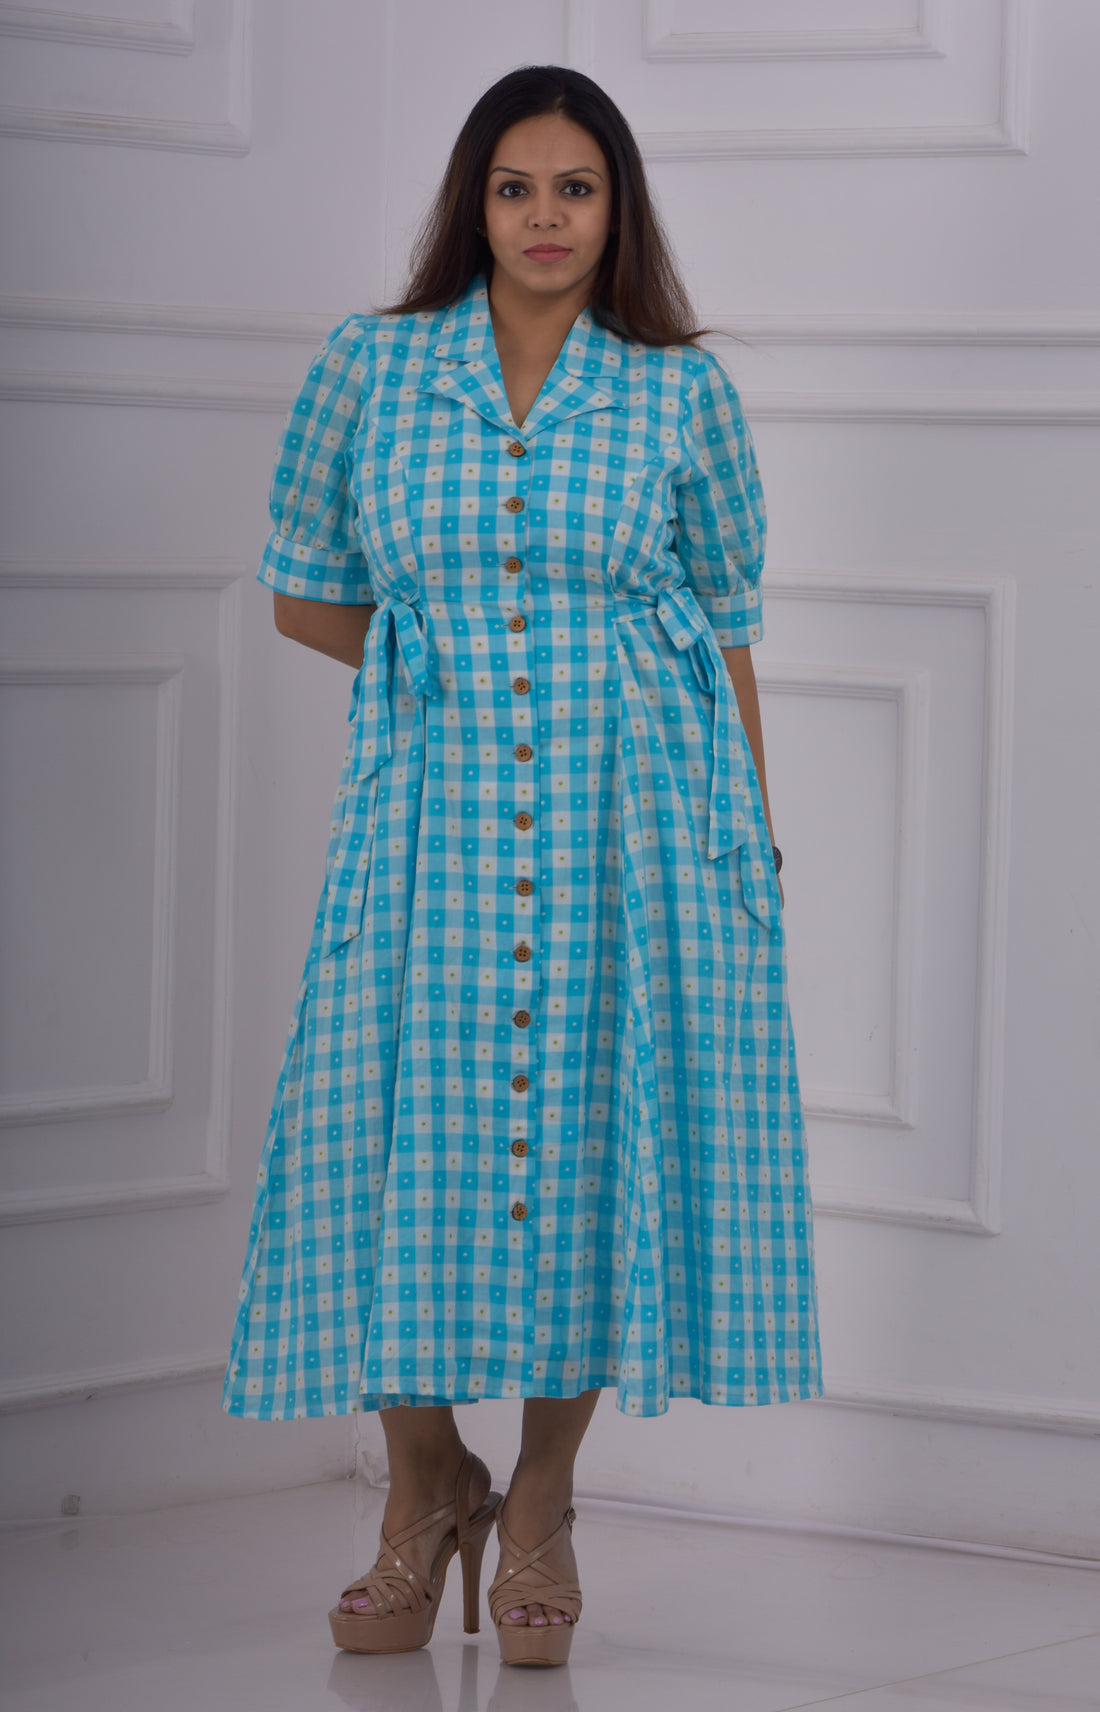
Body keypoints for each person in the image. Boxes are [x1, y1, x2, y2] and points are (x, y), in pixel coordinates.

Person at [222, 63, 823, 1669]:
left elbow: (727, 627)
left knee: (593, 1143)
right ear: (471, 205)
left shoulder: (678, 394)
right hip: (425, 818)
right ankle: (427, 1484)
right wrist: (454, 662)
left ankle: (544, 1501)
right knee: (383, 1129)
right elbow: (303, 588)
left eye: (575, 187)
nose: (545, 216)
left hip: (638, 820)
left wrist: (749, 838)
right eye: (514, 187)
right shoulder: (372, 367)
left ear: (616, 210)